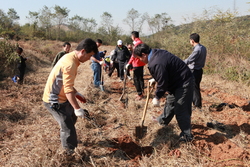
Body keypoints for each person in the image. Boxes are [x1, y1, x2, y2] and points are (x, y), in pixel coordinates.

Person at [42, 38, 98, 155]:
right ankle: (68, 154)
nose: (89, 59)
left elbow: (66, 84)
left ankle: (67, 138)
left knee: (72, 118)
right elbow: (67, 89)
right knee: (68, 126)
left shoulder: (70, 57)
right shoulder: (70, 64)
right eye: (90, 55)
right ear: (83, 51)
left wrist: (76, 93)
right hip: (54, 100)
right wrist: (78, 108)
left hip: (62, 96)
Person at [133, 43, 194, 142]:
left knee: (181, 109)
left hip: (183, 82)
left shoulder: (156, 62)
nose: (140, 60)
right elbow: (164, 71)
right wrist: (155, 77)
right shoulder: (156, 53)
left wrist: (157, 96)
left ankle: (187, 136)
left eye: (140, 58)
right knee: (170, 102)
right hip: (175, 81)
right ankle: (162, 121)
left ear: (144, 54)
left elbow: (163, 82)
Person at [184, 33, 207, 109]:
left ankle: (197, 106)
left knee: (194, 89)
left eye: (190, 40)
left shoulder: (197, 50)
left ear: (192, 41)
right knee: (195, 88)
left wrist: (179, 63)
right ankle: (196, 104)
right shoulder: (203, 48)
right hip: (199, 70)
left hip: (194, 71)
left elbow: (190, 60)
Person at [126, 31, 145, 100]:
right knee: (140, 77)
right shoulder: (141, 42)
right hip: (141, 62)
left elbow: (134, 55)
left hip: (137, 63)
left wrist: (129, 63)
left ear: (133, 37)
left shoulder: (137, 43)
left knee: (136, 79)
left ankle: (140, 94)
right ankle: (142, 92)